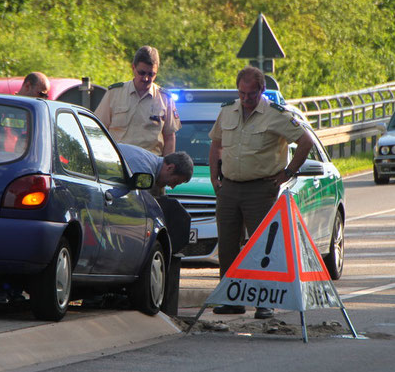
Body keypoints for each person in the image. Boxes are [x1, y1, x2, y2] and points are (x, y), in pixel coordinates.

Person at [209, 66, 314, 319]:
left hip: (260, 189)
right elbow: (216, 144)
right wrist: (215, 177)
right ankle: (231, 299)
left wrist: (288, 172)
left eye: (251, 94)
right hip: (230, 187)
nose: (246, 99)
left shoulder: (276, 114)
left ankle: (263, 301)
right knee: (228, 245)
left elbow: (306, 141)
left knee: (262, 246)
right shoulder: (227, 111)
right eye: (242, 93)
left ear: (261, 91)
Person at [94, 45, 181, 156]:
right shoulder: (115, 93)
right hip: (118, 163)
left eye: (151, 74)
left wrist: (165, 167)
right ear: (133, 68)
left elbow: (169, 137)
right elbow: (98, 130)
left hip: (150, 165)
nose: (145, 78)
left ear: (156, 72)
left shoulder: (165, 98)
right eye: (142, 73)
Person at [117, 143, 193, 194]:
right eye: (175, 181)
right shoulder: (145, 170)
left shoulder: (149, 160)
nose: (172, 187)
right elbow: (137, 200)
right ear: (170, 168)